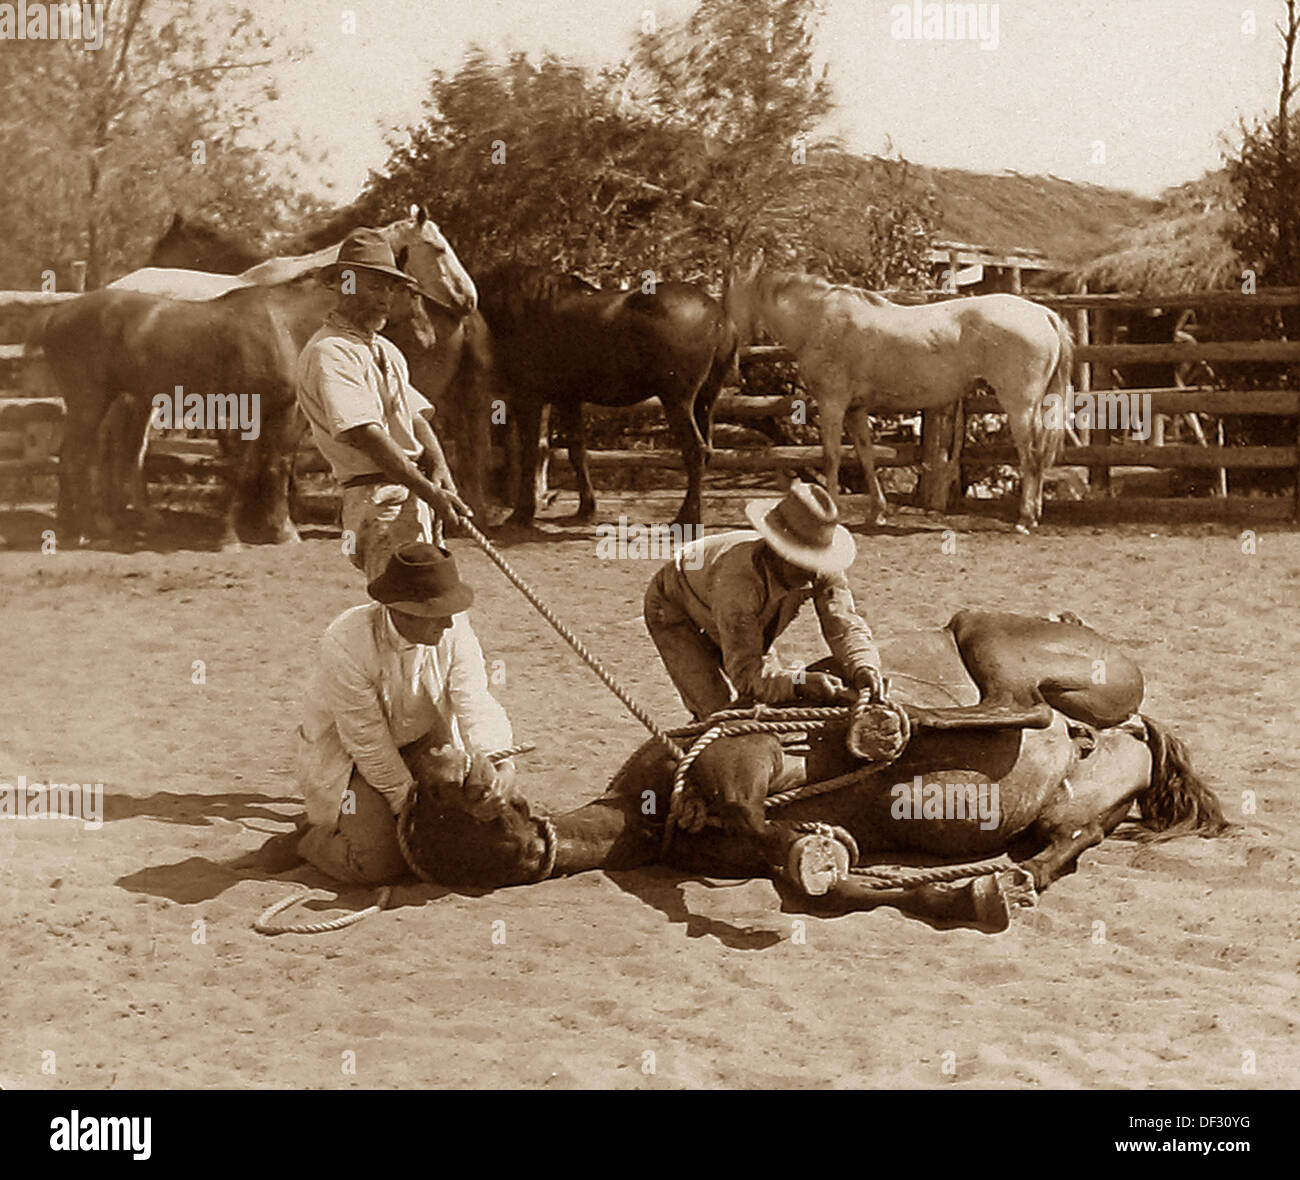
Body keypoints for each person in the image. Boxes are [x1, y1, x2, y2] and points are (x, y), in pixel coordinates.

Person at [291, 543, 517, 885]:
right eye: (438, 612)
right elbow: (366, 743)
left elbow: (475, 700)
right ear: (402, 612)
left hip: (424, 742)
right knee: (380, 864)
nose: (448, 621)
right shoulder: (346, 641)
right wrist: (408, 809)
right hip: (350, 760)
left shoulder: (453, 629)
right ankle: (310, 840)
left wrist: (498, 765)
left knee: (488, 823)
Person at [296, 227, 470, 579]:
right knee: (407, 610)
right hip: (375, 502)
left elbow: (416, 418)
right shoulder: (330, 352)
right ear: (345, 284)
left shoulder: (385, 350)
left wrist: (440, 470)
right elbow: (365, 434)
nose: (385, 298)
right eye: (375, 286)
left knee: (429, 605)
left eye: (391, 287)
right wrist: (430, 491)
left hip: (414, 495)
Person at [643, 480, 885, 721]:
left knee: (768, 700)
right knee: (717, 712)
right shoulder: (737, 586)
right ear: (777, 552)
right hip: (673, 605)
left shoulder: (819, 567)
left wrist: (864, 666)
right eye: (804, 561)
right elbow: (747, 674)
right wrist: (799, 683)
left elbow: (844, 624)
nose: (812, 574)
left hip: (733, 606)